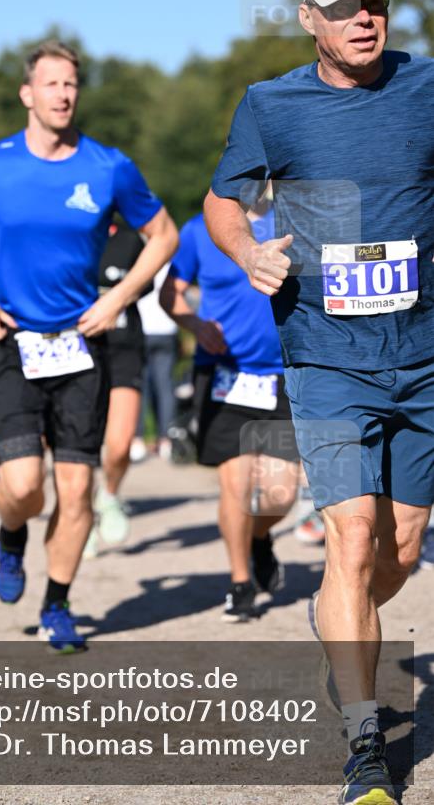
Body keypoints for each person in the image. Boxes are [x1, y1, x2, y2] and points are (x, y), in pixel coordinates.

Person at [205, 0, 433, 805]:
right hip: (325, 353)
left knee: (399, 548)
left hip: (423, 355)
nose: (362, 18)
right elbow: (223, 201)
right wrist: (246, 251)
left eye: (372, 1)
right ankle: (365, 744)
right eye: (342, 7)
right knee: (351, 536)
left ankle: (348, 626)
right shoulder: (270, 105)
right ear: (309, 20)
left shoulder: (426, 85)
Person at [0, 40, 178, 652]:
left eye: (71, 84)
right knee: (22, 485)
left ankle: (58, 604)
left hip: (79, 344)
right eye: (51, 84)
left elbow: (164, 233)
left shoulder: (107, 166)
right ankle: (11, 538)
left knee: (76, 492)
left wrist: (117, 301)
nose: (64, 94)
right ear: (27, 93)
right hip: (7, 338)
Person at [160, 194, 299, 622]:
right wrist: (195, 325)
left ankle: (258, 540)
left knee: (280, 494)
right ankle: (240, 583)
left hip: (279, 375)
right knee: (235, 487)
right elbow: (171, 294)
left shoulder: (295, 221)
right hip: (223, 376)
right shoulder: (199, 230)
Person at [85, 220, 149, 556]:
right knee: (80, 445)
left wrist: (116, 297)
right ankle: (80, 518)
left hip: (124, 349)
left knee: (120, 443)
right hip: (78, 350)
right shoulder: (70, 230)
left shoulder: (129, 239)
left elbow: (145, 282)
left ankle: (108, 495)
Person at [132, 263, 178, 461]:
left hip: (142, 329)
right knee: (165, 387)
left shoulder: (139, 259)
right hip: (167, 329)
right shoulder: (171, 263)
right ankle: (166, 439)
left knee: (140, 388)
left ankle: (138, 440)